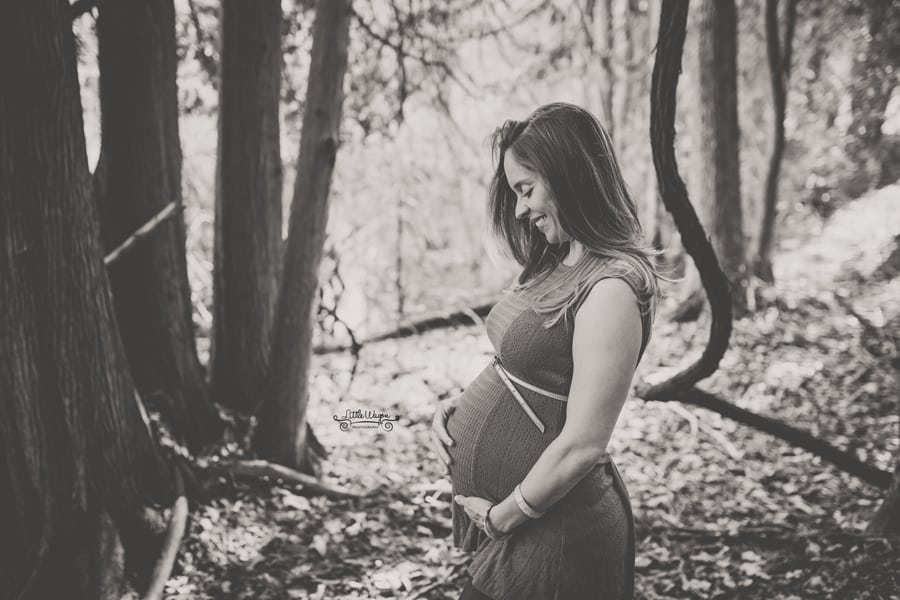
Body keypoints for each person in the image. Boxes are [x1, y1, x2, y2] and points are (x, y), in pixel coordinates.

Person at [430, 102, 662, 600]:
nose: (519, 210)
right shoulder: (555, 262)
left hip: (560, 532)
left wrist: (503, 516)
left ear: (569, 175)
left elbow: (583, 443)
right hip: (529, 522)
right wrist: (459, 408)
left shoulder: (611, 288)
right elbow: (524, 366)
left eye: (526, 190)